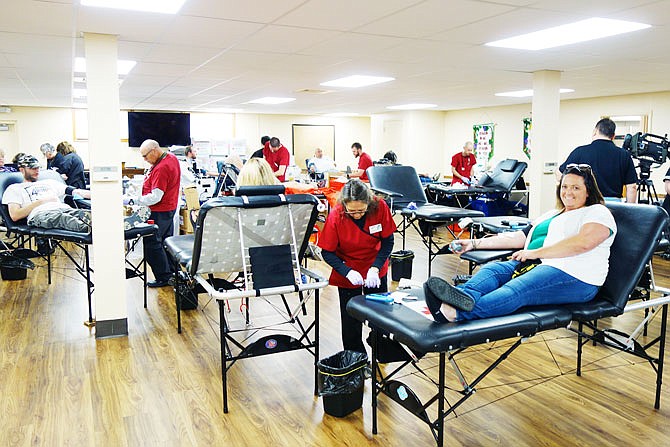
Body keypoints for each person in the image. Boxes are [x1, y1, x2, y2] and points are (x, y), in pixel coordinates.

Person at [424, 163, 616, 323]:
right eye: (565, 186)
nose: (568, 192)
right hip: (539, 264)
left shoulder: (597, 212)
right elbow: (518, 238)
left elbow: (583, 243)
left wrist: (536, 253)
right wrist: (473, 244)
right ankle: (461, 298)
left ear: (588, 191)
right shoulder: (553, 214)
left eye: (576, 188)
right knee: (492, 270)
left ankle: (456, 314)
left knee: (517, 289)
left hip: (578, 277)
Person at [318, 179, 396, 353]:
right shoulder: (336, 214)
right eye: (351, 211)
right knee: (350, 319)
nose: (357, 215)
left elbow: (388, 241)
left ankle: (380, 351)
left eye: (361, 210)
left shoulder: (380, 206)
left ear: (368, 203)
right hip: (348, 268)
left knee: (380, 315)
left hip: (374, 267)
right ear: (344, 205)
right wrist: (347, 271)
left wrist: (375, 268)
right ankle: (355, 358)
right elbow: (327, 252)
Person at [1, 154, 93, 231]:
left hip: (65, 209)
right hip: (41, 214)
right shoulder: (14, 188)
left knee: (92, 216)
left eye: (37, 167)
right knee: (66, 220)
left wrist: (99, 196)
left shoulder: (49, 182)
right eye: (32, 168)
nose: (36, 171)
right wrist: (41, 202)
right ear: (22, 170)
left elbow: (76, 191)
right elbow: (15, 215)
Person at [558, 118, 638, 202]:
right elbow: (632, 187)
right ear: (613, 136)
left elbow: (560, 174)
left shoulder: (580, 152)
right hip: (614, 206)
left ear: (595, 132)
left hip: (587, 203)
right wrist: (628, 212)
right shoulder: (624, 154)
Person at [138, 139, 181, 287]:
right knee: (165, 242)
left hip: (159, 210)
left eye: (145, 156)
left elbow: (156, 196)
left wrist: (137, 200)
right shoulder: (171, 157)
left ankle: (164, 277)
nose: (144, 159)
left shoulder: (162, 167)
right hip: (168, 208)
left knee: (152, 245)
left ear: (154, 150)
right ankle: (173, 272)